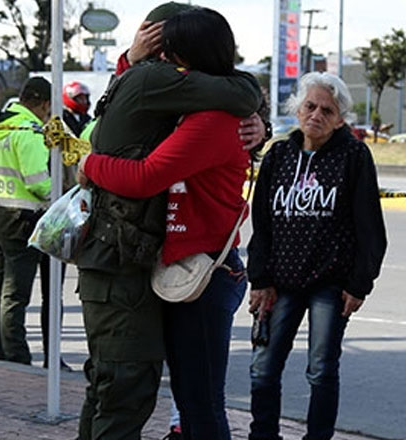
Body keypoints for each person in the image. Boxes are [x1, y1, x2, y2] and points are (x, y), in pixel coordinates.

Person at [72, 2, 266, 438]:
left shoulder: (202, 113)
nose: (165, 57)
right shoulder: (161, 86)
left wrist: (91, 164)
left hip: (194, 267)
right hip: (134, 259)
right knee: (129, 388)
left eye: (169, 48)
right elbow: (238, 95)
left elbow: (149, 174)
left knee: (184, 400)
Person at [246, 72, 388, 440]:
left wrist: (360, 284)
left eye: (328, 110)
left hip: (331, 283)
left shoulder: (354, 156)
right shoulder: (279, 154)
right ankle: (263, 435)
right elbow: (261, 223)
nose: (317, 115)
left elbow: (371, 228)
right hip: (279, 282)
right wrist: (259, 279)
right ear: (297, 109)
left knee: (321, 369)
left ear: (340, 118)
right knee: (263, 367)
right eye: (310, 106)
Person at [0, 77, 52, 366]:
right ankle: (16, 355)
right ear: (45, 104)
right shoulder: (28, 130)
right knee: (15, 294)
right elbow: (38, 182)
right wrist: (58, 196)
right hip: (23, 217)